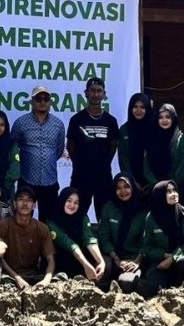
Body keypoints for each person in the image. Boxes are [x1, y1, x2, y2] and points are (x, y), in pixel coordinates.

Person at [11, 85, 66, 223]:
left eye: (46, 99)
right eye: (38, 98)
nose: (42, 102)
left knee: (49, 221)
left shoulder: (58, 124)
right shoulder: (20, 123)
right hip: (27, 179)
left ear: (50, 102)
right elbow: (13, 149)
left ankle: (45, 245)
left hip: (50, 181)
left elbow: (58, 151)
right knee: (23, 217)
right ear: (31, 102)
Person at [66, 77, 118, 219]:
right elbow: (70, 146)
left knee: (105, 215)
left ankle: (102, 242)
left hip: (103, 177)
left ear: (104, 94)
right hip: (81, 176)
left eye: (99, 91)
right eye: (92, 91)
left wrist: (102, 162)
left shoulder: (111, 121)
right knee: (76, 214)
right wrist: (81, 163)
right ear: (86, 93)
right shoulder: (76, 120)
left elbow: (113, 146)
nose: (95, 94)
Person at [140, 180, 184, 296]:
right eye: (168, 192)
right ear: (160, 195)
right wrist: (163, 255)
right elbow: (146, 247)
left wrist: (173, 258)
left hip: (180, 259)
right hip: (159, 264)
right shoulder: (151, 218)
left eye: (174, 190)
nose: (174, 194)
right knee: (153, 289)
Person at [0, 186, 55, 289]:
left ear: (34, 205)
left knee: (61, 278)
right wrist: (16, 277)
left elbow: (51, 259)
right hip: (9, 276)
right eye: (21, 199)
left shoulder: (42, 228)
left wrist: (46, 280)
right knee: (1, 282)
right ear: (14, 204)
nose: (25, 203)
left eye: (29, 200)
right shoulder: (2, 226)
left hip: (32, 276)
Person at [47, 186, 108, 286]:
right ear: (62, 200)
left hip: (81, 260)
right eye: (69, 201)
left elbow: (89, 238)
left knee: (101, 265)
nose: (72, 205)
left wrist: (101, 262)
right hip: (63, 260)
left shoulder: (82, 216)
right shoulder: (51, 221)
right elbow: (68, 243)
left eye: (76, 203)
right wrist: (85, 264)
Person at [96, 173, 147, 292]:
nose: (123, 191)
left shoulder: (142, 211)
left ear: (132, 187)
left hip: (132, 259)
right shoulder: (109, 207)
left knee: (127, 283)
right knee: (102, 273)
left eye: (126, 186)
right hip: (112, 256)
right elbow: (103, 236)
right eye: (118, 188)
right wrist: (115, 257)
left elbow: (146, 241)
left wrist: (137, 261)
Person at [117, 92, 155, 197]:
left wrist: (152, 182)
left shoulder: (155, 128)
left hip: (153, 183)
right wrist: (132, 182)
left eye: (142, 107)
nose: (138, 110)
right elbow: (123, 158)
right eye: (135, 107)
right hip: (132, 185)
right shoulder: (124, 130)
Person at [144, 103, 184, 187]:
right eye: (161, 117)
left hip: (176, 189)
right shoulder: (152, 140)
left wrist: (169, 186)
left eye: (168, 117)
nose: (164, 120)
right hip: (155, 189)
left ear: (173, 119)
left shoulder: (181, 139)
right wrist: (157, 185)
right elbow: (146, 167)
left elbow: (183, 168)